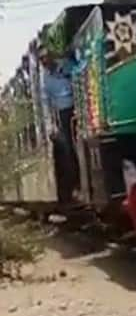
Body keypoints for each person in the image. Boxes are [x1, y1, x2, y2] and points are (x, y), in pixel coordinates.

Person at [39, 48, 80, 202]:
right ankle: (76, 183)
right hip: (63, 111)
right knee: (68, 147)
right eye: (41, 59)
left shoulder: (65, 64)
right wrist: (50, 125)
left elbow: (78, 71)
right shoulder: (45, 80)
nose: (44, 61)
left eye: (45, 57)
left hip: (79, 103)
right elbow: (46, 102)